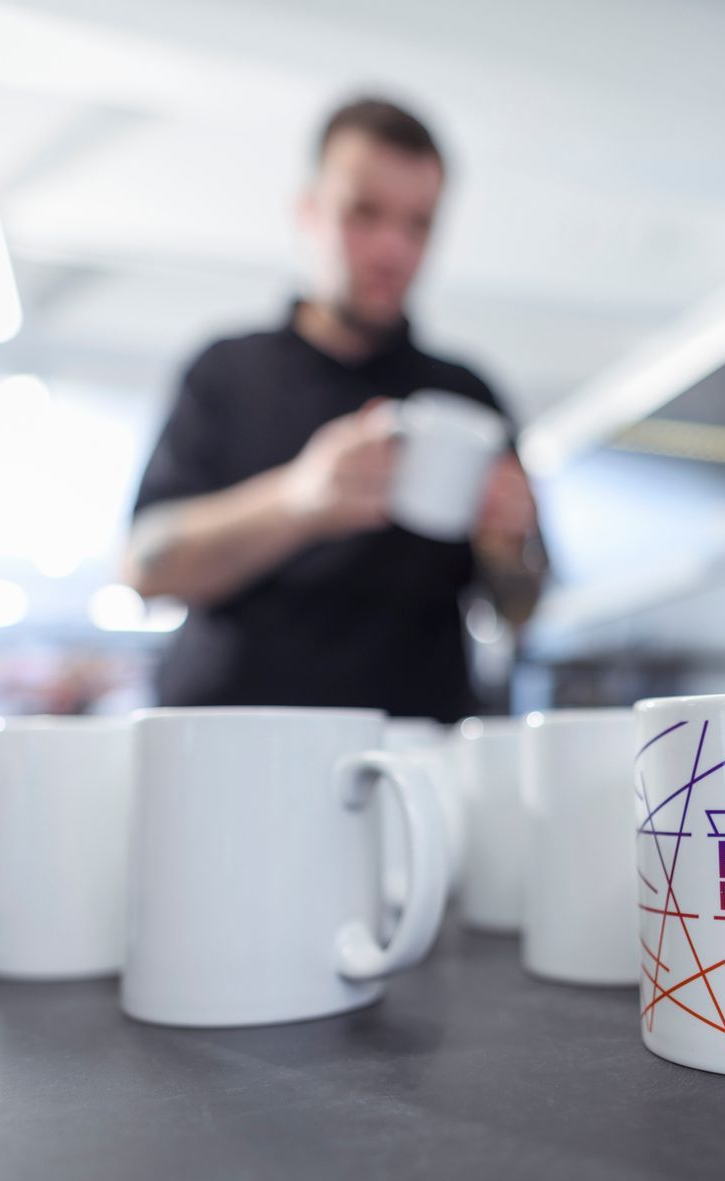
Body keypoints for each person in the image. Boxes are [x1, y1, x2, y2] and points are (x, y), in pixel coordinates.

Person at [125, 97, 543, 720]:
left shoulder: (469, 397)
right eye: (364, 214)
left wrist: (508, 546)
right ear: (310, 211)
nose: (391, 249)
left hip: (414, 754)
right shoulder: (227, 372)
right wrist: (298, 500)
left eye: (418, 224)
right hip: (236, 742)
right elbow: (144, 566)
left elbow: (521, 608)